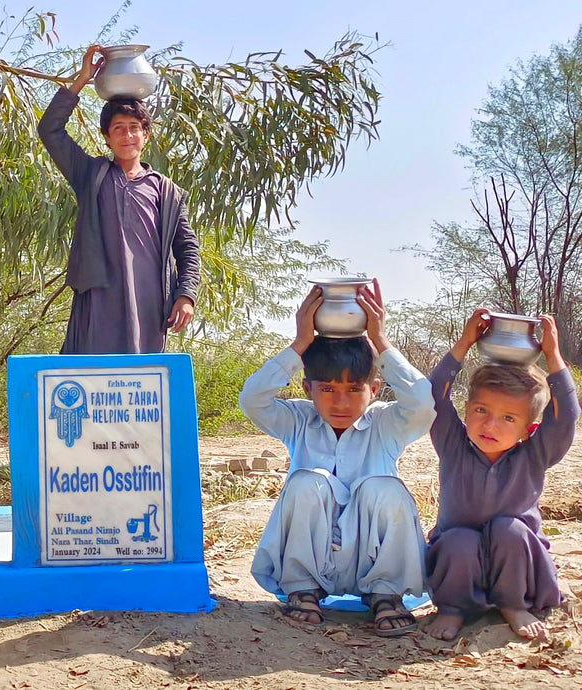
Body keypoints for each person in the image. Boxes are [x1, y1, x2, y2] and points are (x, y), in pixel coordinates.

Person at [238, 281, 436, 635]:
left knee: (384, 488)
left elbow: (423, 402)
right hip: (315, 566)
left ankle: (386, 596)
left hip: (372, 566)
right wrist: (300, 343)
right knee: (307, 481)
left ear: (373, 390)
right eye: (327, 389)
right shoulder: (299, 420)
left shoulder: (386, 424)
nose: (340, 403)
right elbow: (252, 399)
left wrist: (380, 340)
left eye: (353, 389)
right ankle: (302, 589)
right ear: (307, 389)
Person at [423, 309, 580, 641]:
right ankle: (453, 608)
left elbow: (565, 415)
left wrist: (553, 355)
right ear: (466, 411)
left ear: (528, 429)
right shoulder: (453, 444)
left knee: (509, 528)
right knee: (458, 539)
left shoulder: (535, 454)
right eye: (481, 410)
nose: (490, 425)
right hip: (459, 565)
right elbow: (434, 397)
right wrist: (464, 344)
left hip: (518, 565)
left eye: (509, 418)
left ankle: (513, 605)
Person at [37, 44, 200, 354]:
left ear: (146, 135)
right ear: (107, 137)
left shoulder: (167, 191)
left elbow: (187, 248)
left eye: (134, 128)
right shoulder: (91, 175)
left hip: (150, 304)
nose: (127, 136)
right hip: (97, 301)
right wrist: (82, 80)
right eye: (119, 129)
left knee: (143, 386)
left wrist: (186, 294)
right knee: (89, 381)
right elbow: (50, 129)